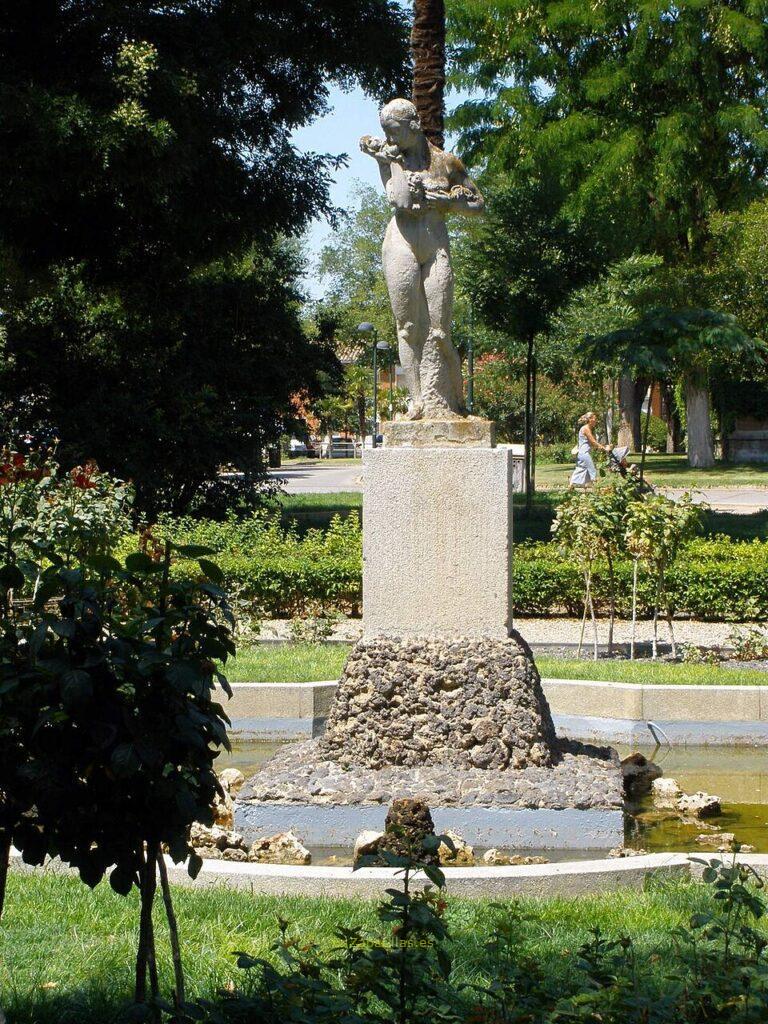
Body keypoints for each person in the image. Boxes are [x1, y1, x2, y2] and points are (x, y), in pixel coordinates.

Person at [360, 98, 484, 420]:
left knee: (441, 331)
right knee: (407, 328)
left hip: (434, 245)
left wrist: (448, 202)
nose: (389, 138)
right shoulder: (390, 157)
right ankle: (416, 401)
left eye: (394, 131)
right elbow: (401, 201)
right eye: (386, 132)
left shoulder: (446, 162)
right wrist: (390, 162)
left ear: (414, 126)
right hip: (400, 243)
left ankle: (458, 402)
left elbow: (478, 204)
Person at [570, 412, 610, 488]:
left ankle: (571, 485)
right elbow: (593, 441)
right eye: (595, 419)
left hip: (582, 453)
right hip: (584, 453)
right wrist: (604, 448)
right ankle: (596, 487)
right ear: (590, 419)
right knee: (592, 470)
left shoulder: (587, 428)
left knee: (580, 469)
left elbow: (591, 443)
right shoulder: (586, 428)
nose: (596, 421)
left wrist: (601, 447)